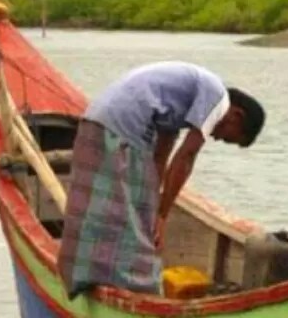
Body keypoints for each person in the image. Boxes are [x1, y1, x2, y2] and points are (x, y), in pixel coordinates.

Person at [57, 61, 265, 299]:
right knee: (129, 222)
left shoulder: (179, 103)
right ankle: (141, 290)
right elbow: (185, 157)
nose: (217, 139)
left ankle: (87, 275)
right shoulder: (217, 97)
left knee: (104, 210)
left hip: (96, 122)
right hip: (121, 130)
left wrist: (154, 209)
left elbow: (160, 157)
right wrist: (163, 215)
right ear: (237, 115)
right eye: (229, 138)